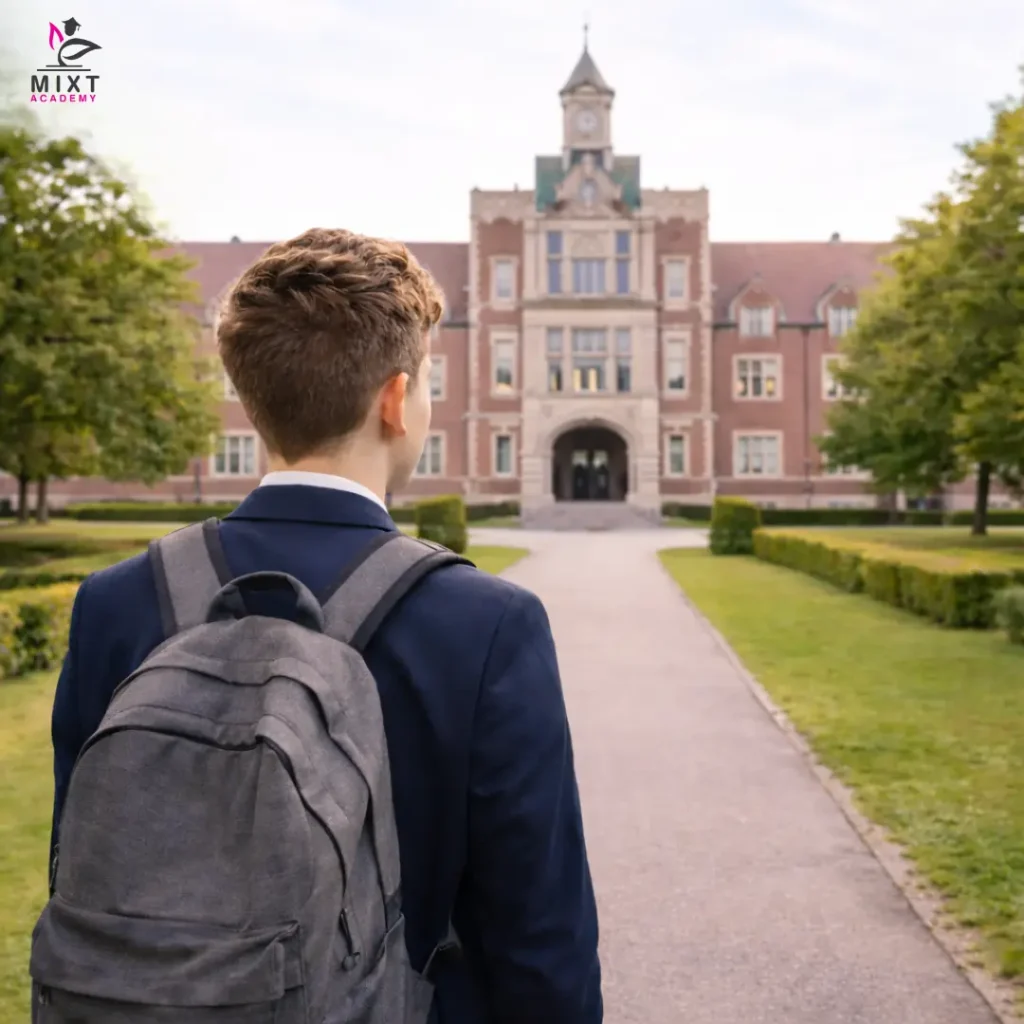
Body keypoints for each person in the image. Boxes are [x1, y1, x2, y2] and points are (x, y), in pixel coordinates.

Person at [46, 228, 602, 1023]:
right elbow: (538, 936)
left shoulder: (116, 604)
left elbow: (83, 872)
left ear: (249, 395)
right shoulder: (485, 626)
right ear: (396, 400)